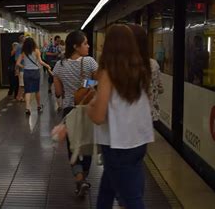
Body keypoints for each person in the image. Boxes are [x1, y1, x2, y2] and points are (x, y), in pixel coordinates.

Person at [87, 24, 154, 209]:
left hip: (117, 144)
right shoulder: (141, 69)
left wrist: (89, 109)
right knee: (108, 187)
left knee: (132, 199)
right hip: (139, 141)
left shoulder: (108, 73)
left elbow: (99, 116)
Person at [53, 30, 98, 197]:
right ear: (75, 46)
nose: (88, 46)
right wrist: (85, 84)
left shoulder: (59, 65)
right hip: (88, 108)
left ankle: (79, 179)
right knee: (87, 145)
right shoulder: (90, 62)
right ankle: (84, 178)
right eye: (85, 43)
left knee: (73, 148)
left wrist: (69, 86)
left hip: (69, 110)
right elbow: (99, 82)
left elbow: (58, 92)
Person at [128, 24, 163, 122]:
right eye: (86, 43)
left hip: (129, 120)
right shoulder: (153, 64)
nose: (88, 46)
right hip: (148, 117)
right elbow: (160, 89)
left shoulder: (124, 65)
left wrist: (86, 83)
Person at [16, 37, 52, 115]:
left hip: (27, 72)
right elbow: (40, 61)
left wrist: (24, 66)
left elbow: (17, 63)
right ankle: (39, 106)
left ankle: (27, 108)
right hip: (35, 72)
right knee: (36, 90)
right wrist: (47, 65)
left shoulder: (23, 52)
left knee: (27, 91)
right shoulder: (36, 51)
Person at [15, 35, 26, 102]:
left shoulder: (22, 47)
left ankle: (21, 96)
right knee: (21, 85)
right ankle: (19, 96)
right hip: (21, 68)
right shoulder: (20, 47)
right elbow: (17, 59)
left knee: (23, 84)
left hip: (23, 68)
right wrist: (17, 69)